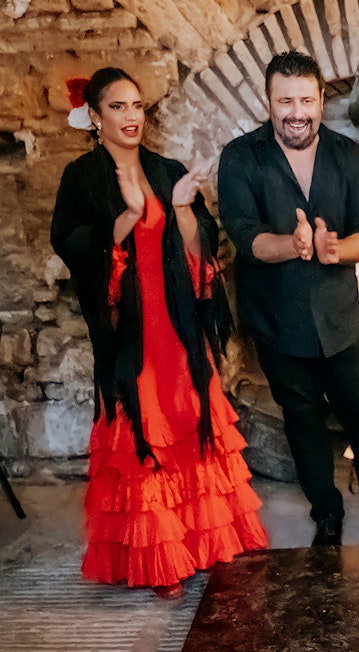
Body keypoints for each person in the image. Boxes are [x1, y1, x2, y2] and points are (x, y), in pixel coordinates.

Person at [51, 67, 268, 599]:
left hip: (178, 326)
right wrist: (126, 215)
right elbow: (74, 247)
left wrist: (178, 209)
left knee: (190, 421)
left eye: (137, 106)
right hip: (131, 335)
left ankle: (202, 543)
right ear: (95, 118)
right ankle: (160, 556)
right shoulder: (82, 178)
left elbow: (201, 254)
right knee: (146, 433)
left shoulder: (166, 169)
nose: (131, 117)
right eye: (119, 107)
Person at [217, 50, 359, 546]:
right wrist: (289, 245)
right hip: (276, 318)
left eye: (306, 100)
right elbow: (244, 234)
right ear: (268, 102)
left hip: (341, 318)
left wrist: (336, 249)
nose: (296, 112)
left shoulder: (347, 155)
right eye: (285, 101)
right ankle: (327, 513)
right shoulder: (240, 157)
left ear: (321, 100)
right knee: (303, 419)